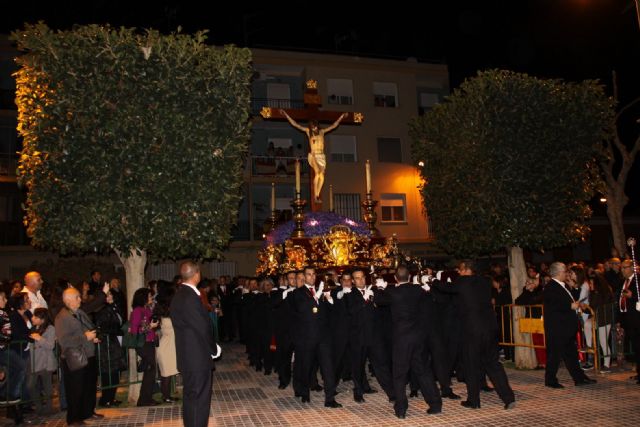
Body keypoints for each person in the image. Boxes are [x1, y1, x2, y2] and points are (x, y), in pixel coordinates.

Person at [170, 261, 217, 427]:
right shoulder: (189, 297)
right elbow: (202, 327)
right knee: (199, 400)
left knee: (191, 398)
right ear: (197, 275)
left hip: (188, 356)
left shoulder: (180, 294)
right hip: (196, 357)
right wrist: (213, 348)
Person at [55, 287, 104, 425]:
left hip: (88, 354)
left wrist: (93, 337)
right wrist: (85, 337)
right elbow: (64, 341)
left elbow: (87, 328)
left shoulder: (80, 312)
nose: (80, 299)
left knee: (89, 386)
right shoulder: (62, 317)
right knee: (75, 389)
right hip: (74, 358)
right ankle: (74, 418)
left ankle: (88, 412)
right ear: (68, 300)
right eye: (77, 297)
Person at [543, 262, 596, 388]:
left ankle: (579, 378)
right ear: (559, 273)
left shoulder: (563, 285)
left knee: (571, 355)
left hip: (565, 326)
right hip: (557, 327)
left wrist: (575, 289)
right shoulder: (551, 286)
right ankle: (550, 380)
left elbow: (572, 299)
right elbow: (553, 304)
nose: (567, 274)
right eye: (565, 271)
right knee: (554, 355)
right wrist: (569, 306)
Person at [279, 109, 348, 201]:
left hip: (321, 156)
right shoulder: (308, 132)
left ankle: (317, 194)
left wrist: (341, 117)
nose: (314, 129)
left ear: (317, 126)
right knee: (318, 173)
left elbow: (333, 126)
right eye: (312, 128)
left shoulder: (322, 132)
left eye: (315, 127)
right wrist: (286, 115)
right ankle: (316, 195)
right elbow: (296, 125)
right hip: (314, 155)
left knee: (322, 176)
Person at [129, 288, 160, 407]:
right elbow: (134, 330)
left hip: (149, 342)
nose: (151, 298)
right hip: (143, 344)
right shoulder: (137, 311)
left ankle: (145, 398)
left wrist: (154, 325)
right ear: (143, 297)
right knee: (150, 370)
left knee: (150, 371)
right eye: (149, 296)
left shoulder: (146, 309)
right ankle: (144, 400)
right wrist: (150, 326)